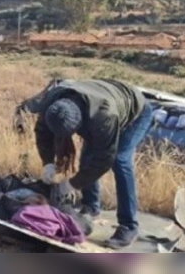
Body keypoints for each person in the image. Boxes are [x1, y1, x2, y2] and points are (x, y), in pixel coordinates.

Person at [34, 78, 154, 250]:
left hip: (136, 113)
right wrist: (47, 163)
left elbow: (104, 160)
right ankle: (91, 205)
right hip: (104, 98)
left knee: (120, 161)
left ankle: (129, 225)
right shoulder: (52, 105)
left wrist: (72, 184)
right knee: (87, 158)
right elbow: (42, 132)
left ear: (81, 123)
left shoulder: (104, 116)